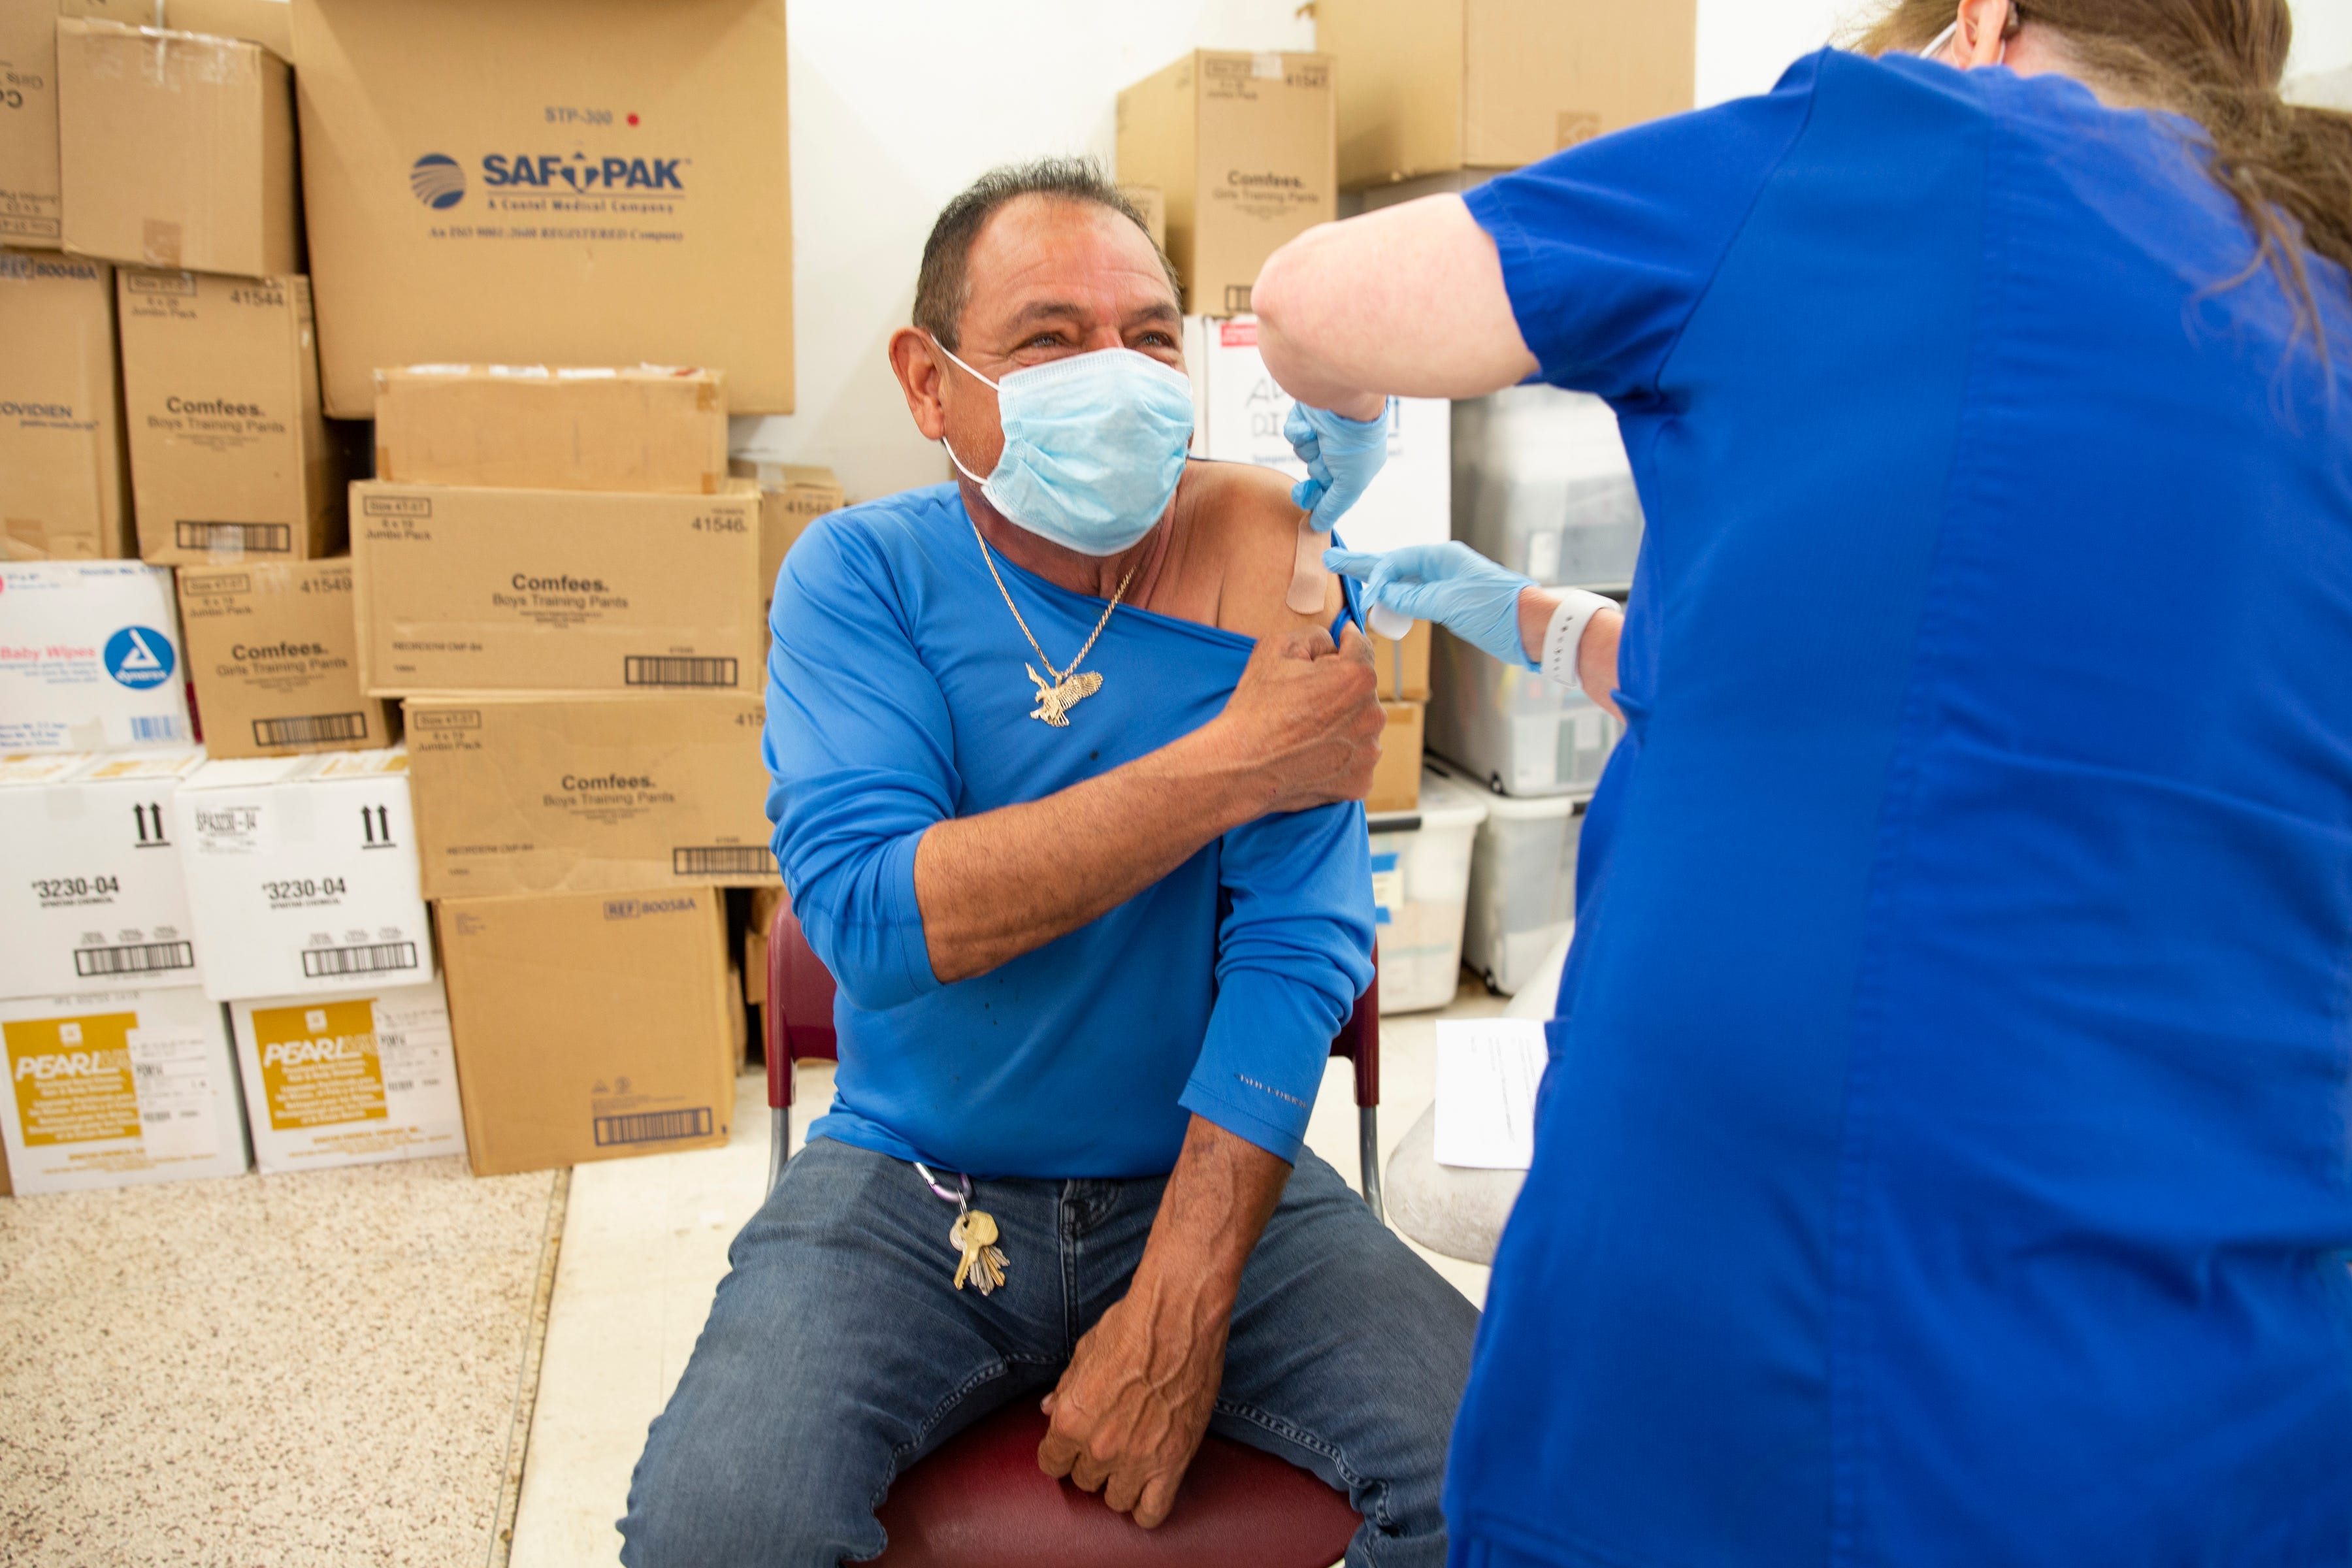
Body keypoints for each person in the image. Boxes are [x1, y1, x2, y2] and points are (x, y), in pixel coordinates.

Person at [1252, 0, 2352, 1563]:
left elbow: (1313, 300)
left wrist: (1341, 417)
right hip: (2223, 1414)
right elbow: (1917, 680)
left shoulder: (1901, 146)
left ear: (1980, 17)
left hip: (1793, 1366)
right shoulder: (2304, 287)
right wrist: (1519, 609)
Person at [619, 159, 1478, 1568]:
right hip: (914, 1184)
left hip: (1208, 1170)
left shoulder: (1271, 550)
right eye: (1051, 337)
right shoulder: (862, 577)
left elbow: (1295, 946)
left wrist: (1187, 1295)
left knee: (1524, 1480)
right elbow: (881, 918)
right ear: (928, 380)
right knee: (717, 1531)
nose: (1121, 377)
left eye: (1150, 337)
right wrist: (1241, 758)